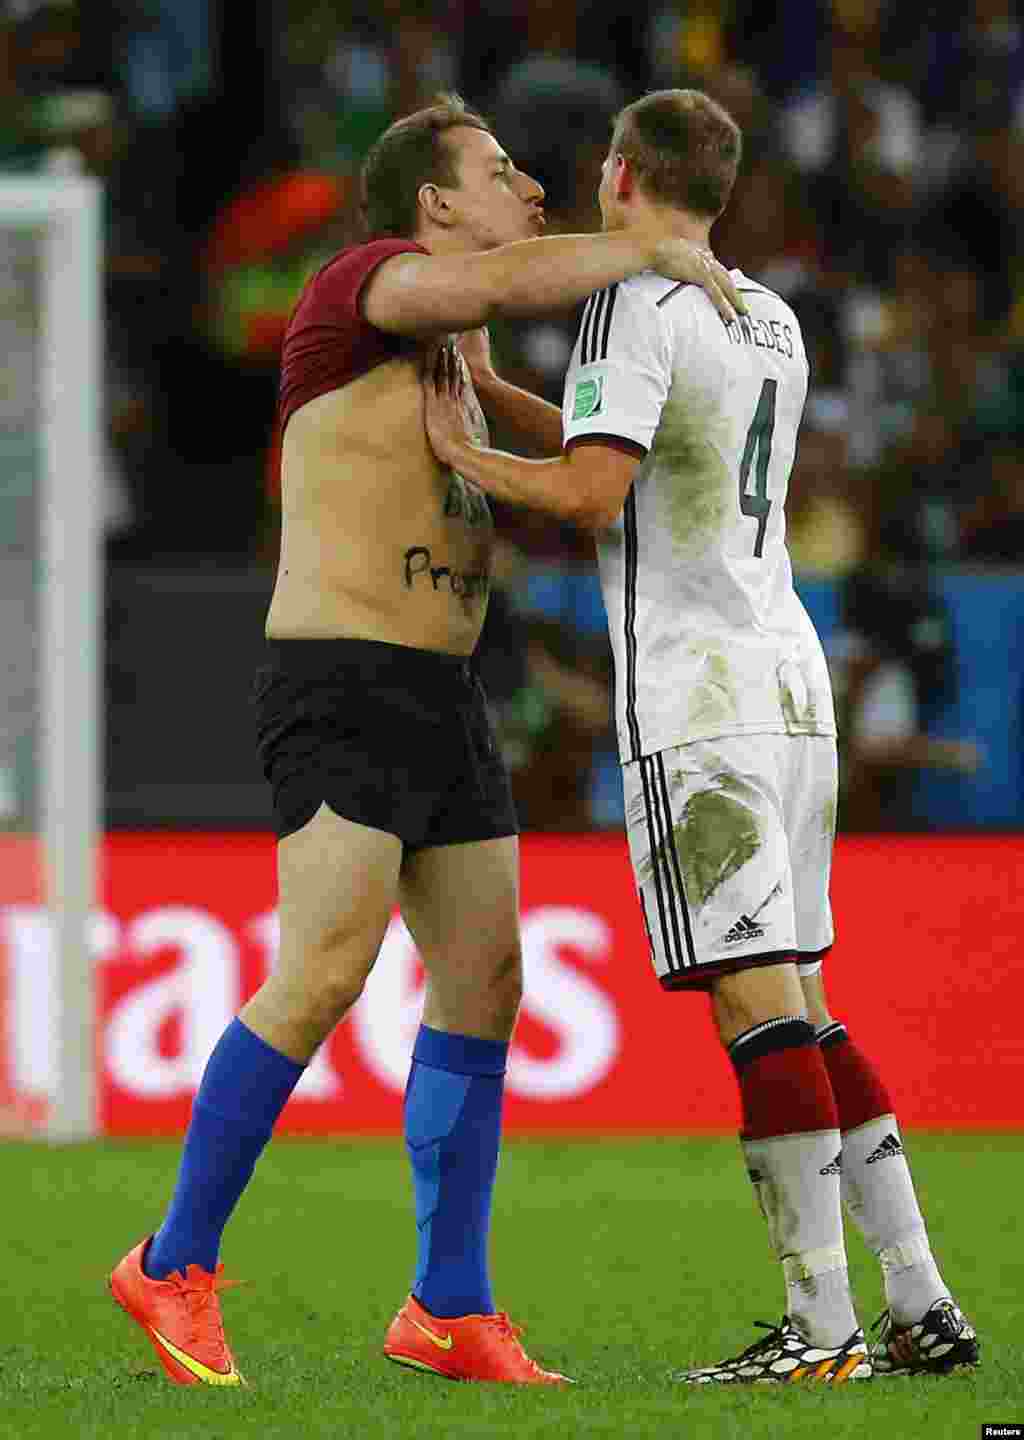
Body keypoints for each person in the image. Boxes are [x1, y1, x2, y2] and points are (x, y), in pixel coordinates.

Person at [106, 92, 746, 1389]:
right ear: (435, 205)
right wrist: (650, 247)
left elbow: (570, 457)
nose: (528, 191)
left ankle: (448, 1305)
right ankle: (172, 1262)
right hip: (340, 679)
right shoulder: (365, 288)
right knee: (326, 972)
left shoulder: (450, 360)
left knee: (486, 982)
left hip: (442, 693)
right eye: (500, 172)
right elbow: (513, 273)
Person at [422, 88, 980, 1384]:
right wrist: (506, 394)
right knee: (806, 1002)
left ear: (620, 174)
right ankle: (918, 1297)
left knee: (755, 1008)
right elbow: (649, 455)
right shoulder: (766, 311)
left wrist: (468, 453)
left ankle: (824, 1328)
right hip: (790, 684)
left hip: (701, 697)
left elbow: (591, 491)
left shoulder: (629, 304)